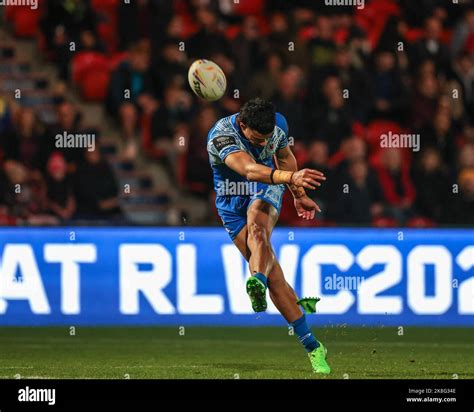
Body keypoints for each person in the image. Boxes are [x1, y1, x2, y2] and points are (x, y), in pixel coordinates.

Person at [206, 98, 330, 374]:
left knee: (258, 228)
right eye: (257, 140)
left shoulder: (277, 126)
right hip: (230, 201)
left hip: (266, 188)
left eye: (267, 140)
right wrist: (290, 178)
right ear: (242, 125)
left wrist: (299, 195)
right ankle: (314, 346)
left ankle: (256, 282)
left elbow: (285, 158)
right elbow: (249, 170)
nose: (264, 145)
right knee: (277, 281)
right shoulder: (221, 136)